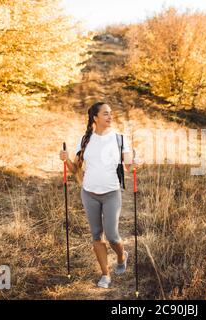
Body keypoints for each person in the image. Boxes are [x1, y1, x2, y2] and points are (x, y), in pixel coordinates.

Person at [59, 101, 135, 289]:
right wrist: (65, 158)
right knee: (96, 235)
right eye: (105, 114)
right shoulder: (85, 139)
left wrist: (135, 161)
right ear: (95, 118)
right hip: (89, 193)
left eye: (110, 113)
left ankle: (121, 255)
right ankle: (105, 274)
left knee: (112, 235)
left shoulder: (120, 139)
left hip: (111, 193)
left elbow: (129, 166)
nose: (110, 117)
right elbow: (75, 168)